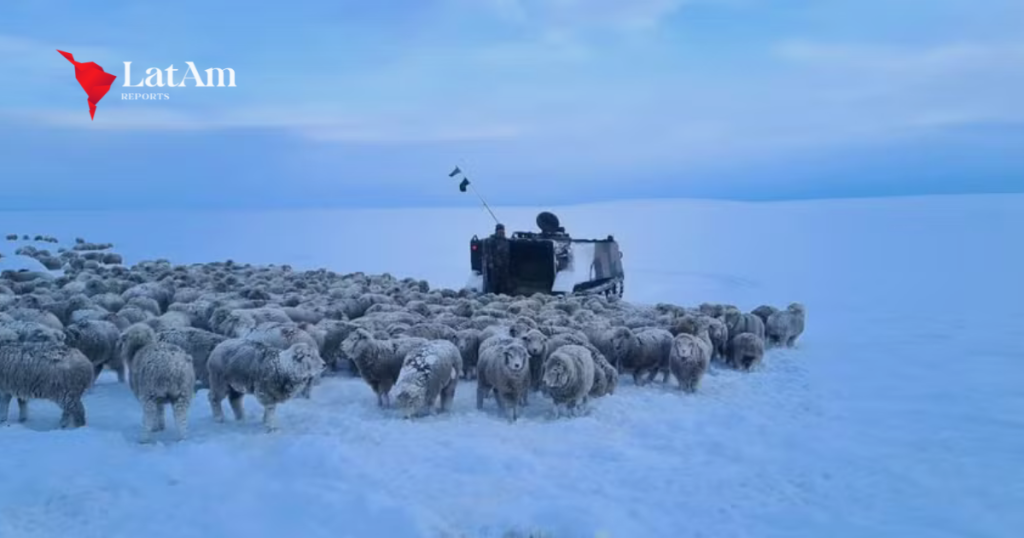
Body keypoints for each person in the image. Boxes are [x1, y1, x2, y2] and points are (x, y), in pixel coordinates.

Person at [484, 223, 511, 294]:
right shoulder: (492, 240)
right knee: (494, 282)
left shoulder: (505, 241)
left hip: (504, 265)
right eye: (500, 230)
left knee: (504, 282)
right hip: (495, 265)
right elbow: (489, 253)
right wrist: (490, 263)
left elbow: (507, 253)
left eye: (502, 230)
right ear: (496, 231)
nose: (501, 232)